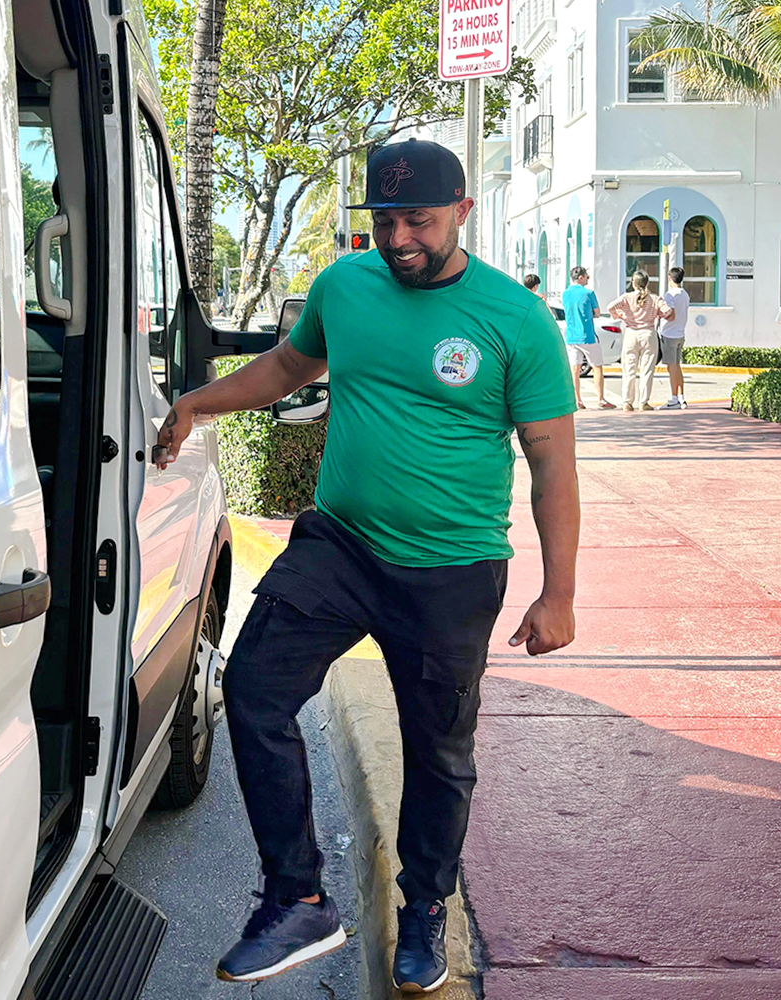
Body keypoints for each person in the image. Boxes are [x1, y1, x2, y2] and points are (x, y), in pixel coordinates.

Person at [153, 138, 579, 992]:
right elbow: (289, 366)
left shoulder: (515, 318)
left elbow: (551, 463)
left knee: (437, 752)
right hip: (340, 546)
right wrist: (198, 402)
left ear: (462, 212)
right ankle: (297, 898)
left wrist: (558, 593)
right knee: (254, 689)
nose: (399, 240)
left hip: (453, 569)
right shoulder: (344, 286)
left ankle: (423, 908)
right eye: (384, 222)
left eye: (418, 221)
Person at [605, 270, 673, 411]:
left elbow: (610, 307)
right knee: (647, 370)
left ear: (634, 283)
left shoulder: (627, 297)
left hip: (631, 333)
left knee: (629, 370)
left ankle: (627, 402)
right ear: (647, 283)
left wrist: (620, 315)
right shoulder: (654, 299)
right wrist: (659, 314)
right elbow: (668, 311)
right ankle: (643, 402)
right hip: (648, 333)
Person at [562, 266, 613, 410]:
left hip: (571, 336)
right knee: (597, 367)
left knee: (575, 369)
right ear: (581, 277)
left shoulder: (565, 294)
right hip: (587, 336)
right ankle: (600, 399)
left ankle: (577, 400)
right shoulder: (589, 293)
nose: (587, 279)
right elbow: (597, 313)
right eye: (586, 277)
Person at [657, 267, 691, 409]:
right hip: (680, 333)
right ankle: (681, 396)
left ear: (669, 278)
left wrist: (660, 314)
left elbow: (670, 313)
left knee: (671, 367)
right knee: (676, 365)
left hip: (669, 334)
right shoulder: (684, 294)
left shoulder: (670, 295)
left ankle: (674, 399)